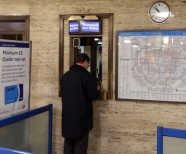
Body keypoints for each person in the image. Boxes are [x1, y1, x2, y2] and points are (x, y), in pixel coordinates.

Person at [60, 53, 101, 154]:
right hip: (81, 118)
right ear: (85, 62)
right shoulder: (86, 76)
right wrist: (98, 90)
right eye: (88, 64)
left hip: (67, 117)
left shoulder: (65, 76)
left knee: (68, 143)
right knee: (80, 145)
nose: (88, 66)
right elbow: (92, 94)